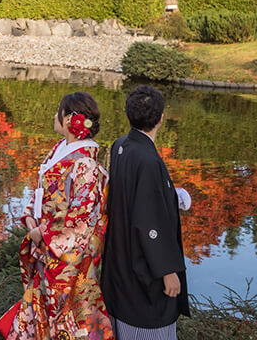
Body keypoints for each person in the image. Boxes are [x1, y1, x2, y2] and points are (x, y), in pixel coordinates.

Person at [6, 92, 113, 340]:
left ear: (69, 120)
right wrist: (30, 218)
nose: (55, 115)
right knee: (43, 316)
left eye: (59, 111)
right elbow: (41, 192)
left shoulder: (87, 165)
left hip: (67, 258)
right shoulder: (60, 151)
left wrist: (40, 233)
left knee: (68, 321)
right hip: (45, 244)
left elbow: (80, 219)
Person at [101, 85, 190, 338]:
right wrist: (167, 271)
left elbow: (133, 197)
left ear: (129, 114)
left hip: (120, 264)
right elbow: (148, 220)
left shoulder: (121, 146)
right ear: (161, 118)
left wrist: (173, 197)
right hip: (142, 276)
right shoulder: (148, 160)